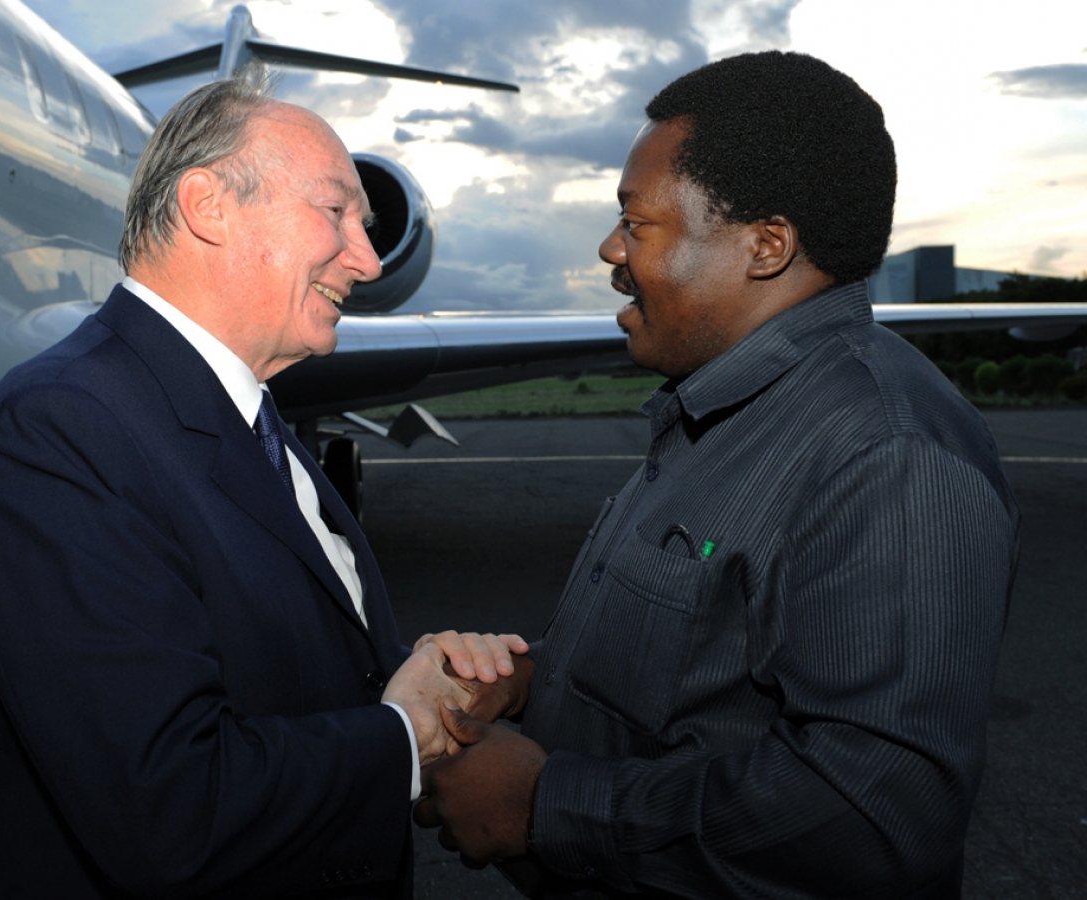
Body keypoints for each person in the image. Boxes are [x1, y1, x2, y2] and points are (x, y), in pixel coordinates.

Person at [413, 51, 1019, 899]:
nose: (609, 248)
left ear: (765, 246)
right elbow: (698, 661)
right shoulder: (727, 414)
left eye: (639, 222)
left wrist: (546, 803)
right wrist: (529, 678)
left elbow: (878, 815)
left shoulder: (886, 456)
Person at [0, 67, 525, 899]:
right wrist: (404, 733)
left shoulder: (239, 415)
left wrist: (412, 670)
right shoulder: (64, 431)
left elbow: (261, 659)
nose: (365, 257)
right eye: (336, 212)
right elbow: (168, 809)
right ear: (208, 206)